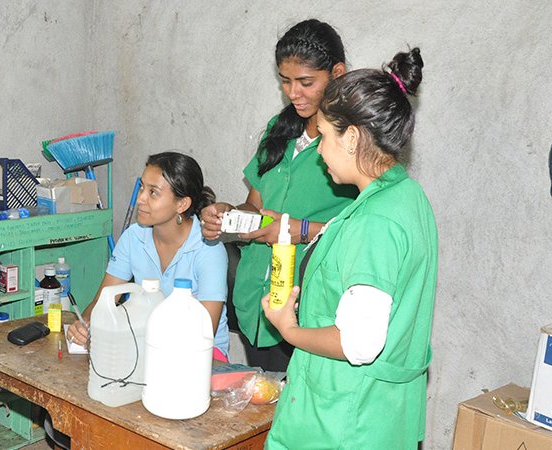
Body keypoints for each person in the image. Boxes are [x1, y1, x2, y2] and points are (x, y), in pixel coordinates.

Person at [262, 47, 436, 449]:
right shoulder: (407, 197)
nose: (320, 150)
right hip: (380, 417)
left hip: (343, 422)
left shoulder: (375, 221)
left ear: (353, 137)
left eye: (324, 135)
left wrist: (288, 327)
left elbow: (358, 342)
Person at [199, 19, 358, 372]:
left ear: (337, 73)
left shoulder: (353, 146)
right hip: (257, 301)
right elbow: (255, 204)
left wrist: (291, 229)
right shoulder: (280, 130)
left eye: (305, 82)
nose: (293, 93)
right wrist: (228, 214)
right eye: (285, 81)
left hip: (307, 307)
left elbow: (357, 234)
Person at [67, 151, 229, 357]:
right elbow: (104, 303)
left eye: (153, 193)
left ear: (182, 204)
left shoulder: (208, 249)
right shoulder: (133, 238)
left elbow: (205, 333)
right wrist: (86, 325)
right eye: (142, 187)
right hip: (145, 346)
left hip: (202, 356)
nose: (140, 198)